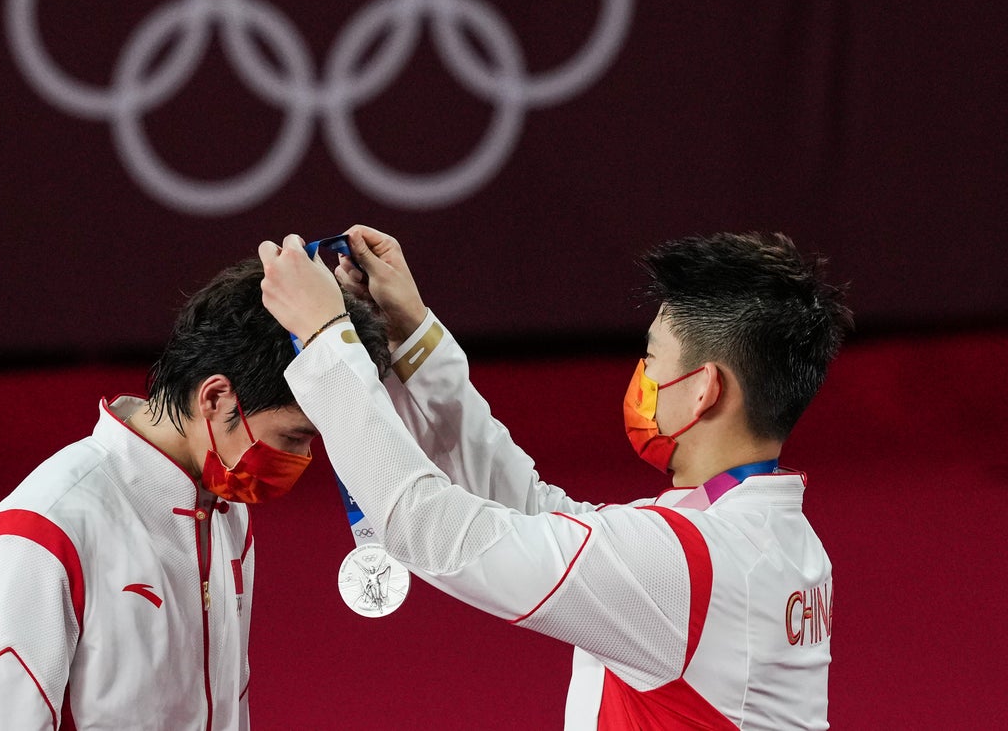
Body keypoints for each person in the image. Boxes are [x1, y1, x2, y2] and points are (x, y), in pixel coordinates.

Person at [258, 226, 851, 730]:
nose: (641, 374)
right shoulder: (759, 538)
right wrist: (410, 334)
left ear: (703, 390)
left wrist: (324, 342)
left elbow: (431, 528)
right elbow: (541, 514)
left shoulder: (691, 566)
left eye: (651, 357)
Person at [0, 257, 389, 730]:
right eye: (295, 435)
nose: (303, 456)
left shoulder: (223, 506)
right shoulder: (36, 542)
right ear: (216, 399)